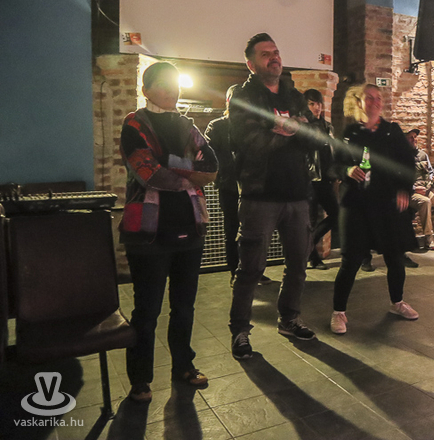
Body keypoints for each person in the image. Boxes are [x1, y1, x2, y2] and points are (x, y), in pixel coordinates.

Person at [119, 62, 218, 402]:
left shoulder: (187, 125)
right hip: (148, 232)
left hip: (190, 226)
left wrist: (172, 164)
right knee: (147, 311)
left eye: (175, 84)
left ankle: (184, 366)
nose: (171, 91)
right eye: (162, 84)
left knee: (184, 307)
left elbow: (212, 166)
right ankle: (140, 379)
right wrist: (189, 173)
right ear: (145, 90)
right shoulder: (134, 125)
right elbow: (149, 173)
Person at [228, 33, 318, 361]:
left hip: (297, 193)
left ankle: (289, 318)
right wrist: (294, 128)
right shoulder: (243, 96)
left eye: (276, 52)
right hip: (260, 196)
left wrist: (282, 128)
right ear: (251, 64)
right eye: (266, 54)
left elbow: (315, 136)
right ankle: (240, 330)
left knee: (298, 265)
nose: (274, 57)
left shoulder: (294, 95)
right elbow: (249, 141)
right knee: (250, 269)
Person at [330, 84, 418, 335]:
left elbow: (408, 164)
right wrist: (347, 170)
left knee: (395, 256)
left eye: (378, 98)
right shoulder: (350, 133)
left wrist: (404, 189)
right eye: (369, 98)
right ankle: (338, 312)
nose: (375, 102)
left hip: (386, 203)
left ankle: (397, 302)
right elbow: (334, 165)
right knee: (351, 260)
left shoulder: (392, 131)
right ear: (359, 102)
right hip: (356, 204)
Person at [205, 85, 272, 285]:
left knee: (256, 231)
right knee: (233, 230)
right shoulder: (217, 126)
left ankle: (254, 270)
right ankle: (236, 271)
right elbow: (209, 156)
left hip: (252, 186)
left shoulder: (254, 125)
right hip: (230, 186)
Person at [304, 88, 338, 270]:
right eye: (312, 104)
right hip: (309, 179)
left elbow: (331, 153)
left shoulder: (328, 126)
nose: (316, 107)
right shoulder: (303, 126)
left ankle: (310, 245)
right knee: (309, 221)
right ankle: (312, 258)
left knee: (336, 214)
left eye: (318, 103)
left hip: (325, 179)